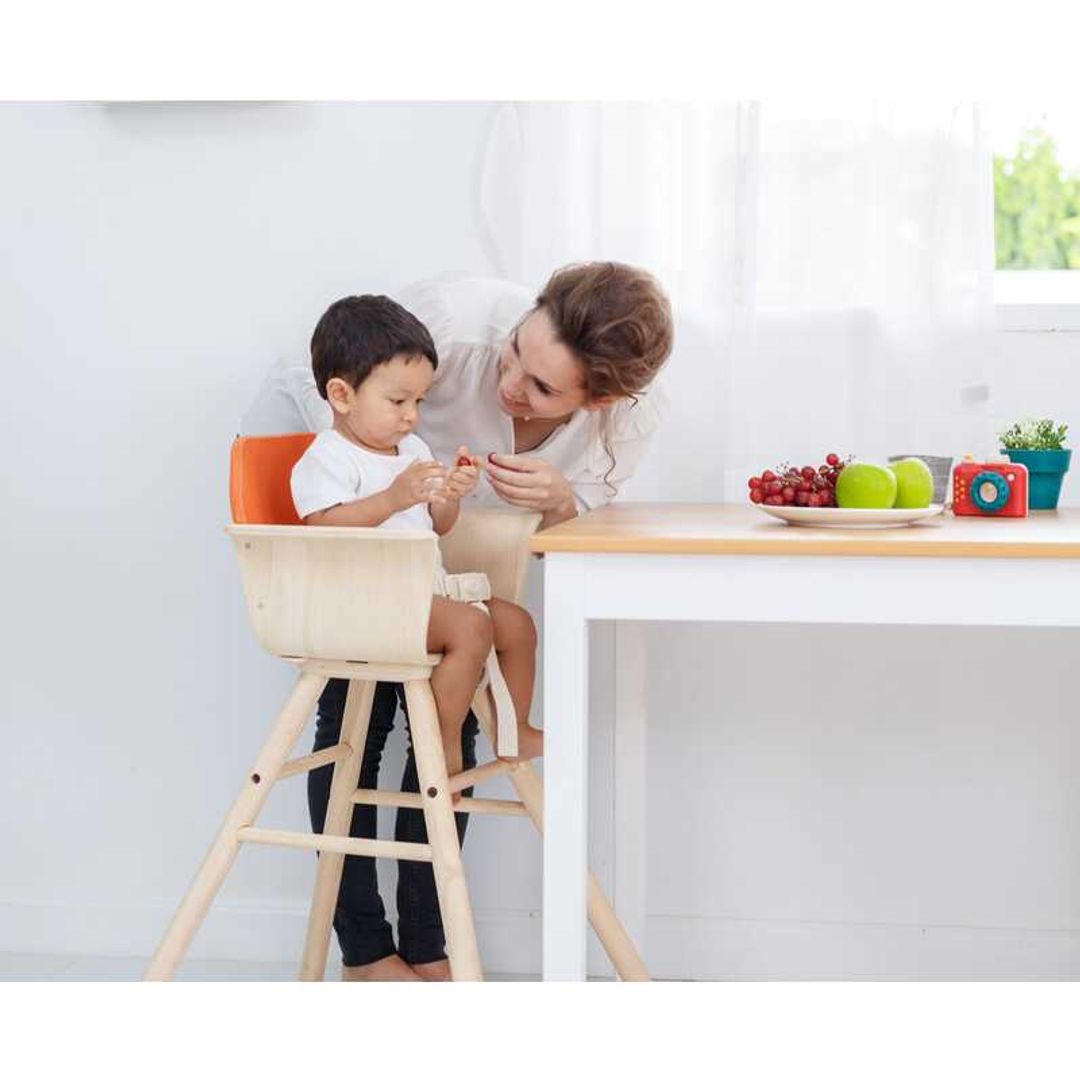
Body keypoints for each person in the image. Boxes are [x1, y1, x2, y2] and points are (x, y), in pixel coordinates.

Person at [244, 262, 674, 980]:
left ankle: (425, 942)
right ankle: (366, 949)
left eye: (541, 388)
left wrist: (556, 498)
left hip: (431, 565)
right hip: (357, 571)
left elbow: (578, 510)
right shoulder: (449, 320)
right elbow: (321, 402)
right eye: (513, 353)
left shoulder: (625, 420)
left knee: (486, 655)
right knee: (357, 728)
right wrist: (372, 480)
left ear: (598, 400)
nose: (511, 385)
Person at [290, 294, 542, 780]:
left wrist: (450, 495)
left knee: (516, 624)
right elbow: (319, 530)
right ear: (342, 396)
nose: (412, 415)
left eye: (419, 401)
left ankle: (516, 728)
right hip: (363, 601)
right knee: (470, 628)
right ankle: (441, 740)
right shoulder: (329, 457)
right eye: (398, 401)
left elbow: (438, 526)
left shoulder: (412, 448)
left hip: (421, 592)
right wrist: (392, 498)